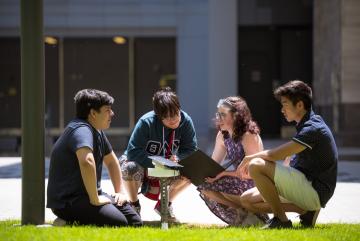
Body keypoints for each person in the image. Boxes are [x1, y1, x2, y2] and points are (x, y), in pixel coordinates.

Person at [239, 80, 338, 229]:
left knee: (256, 165)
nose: (282, 109)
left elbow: (274, 155)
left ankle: (281, 220)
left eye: (285, 103)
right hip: (304, 184)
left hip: (315, 190)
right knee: (246, 200)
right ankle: (304, 210)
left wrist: (249, 157)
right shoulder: (306, 124)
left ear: (299, 105)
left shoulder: (313, 128)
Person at [47, 89, 142, 227]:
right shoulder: (81, 130)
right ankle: (67, 221)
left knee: (135, 221)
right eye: (107, 110)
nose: (112, 113)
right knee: (119, 223)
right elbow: (86, 161)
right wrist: (95, 198)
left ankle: (76, 219)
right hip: (68, 201)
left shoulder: (96, 130)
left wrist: (119, 192)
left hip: (89, 196)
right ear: (92, 113)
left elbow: (111, 162)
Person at [120, 87, 197, 221]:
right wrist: (155, 165)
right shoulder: (146, 122)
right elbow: (133, 151)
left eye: (174, 114)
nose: (172, 119)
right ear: (158, 115)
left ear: (179, 108)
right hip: (142, 164)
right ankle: (134, 205)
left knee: (193, 171)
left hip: (168, 165)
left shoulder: (186, 122)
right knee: (129, 167)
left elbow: (191, 149)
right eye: (165, 117)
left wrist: (178, 158)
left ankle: (164, 206)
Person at [198, 96, 268, 226]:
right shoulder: (223, 135)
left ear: (236, 116)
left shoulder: (248, 135)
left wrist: (223, 174)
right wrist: (197, 170)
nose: (218, 118)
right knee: (202, 184)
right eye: (218, 114)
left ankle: (253, 214)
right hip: (239, 178)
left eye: (223, 114)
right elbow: (213, 164)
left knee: (210, 183)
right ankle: (241, 211)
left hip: (255, 181)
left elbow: (252, 172)